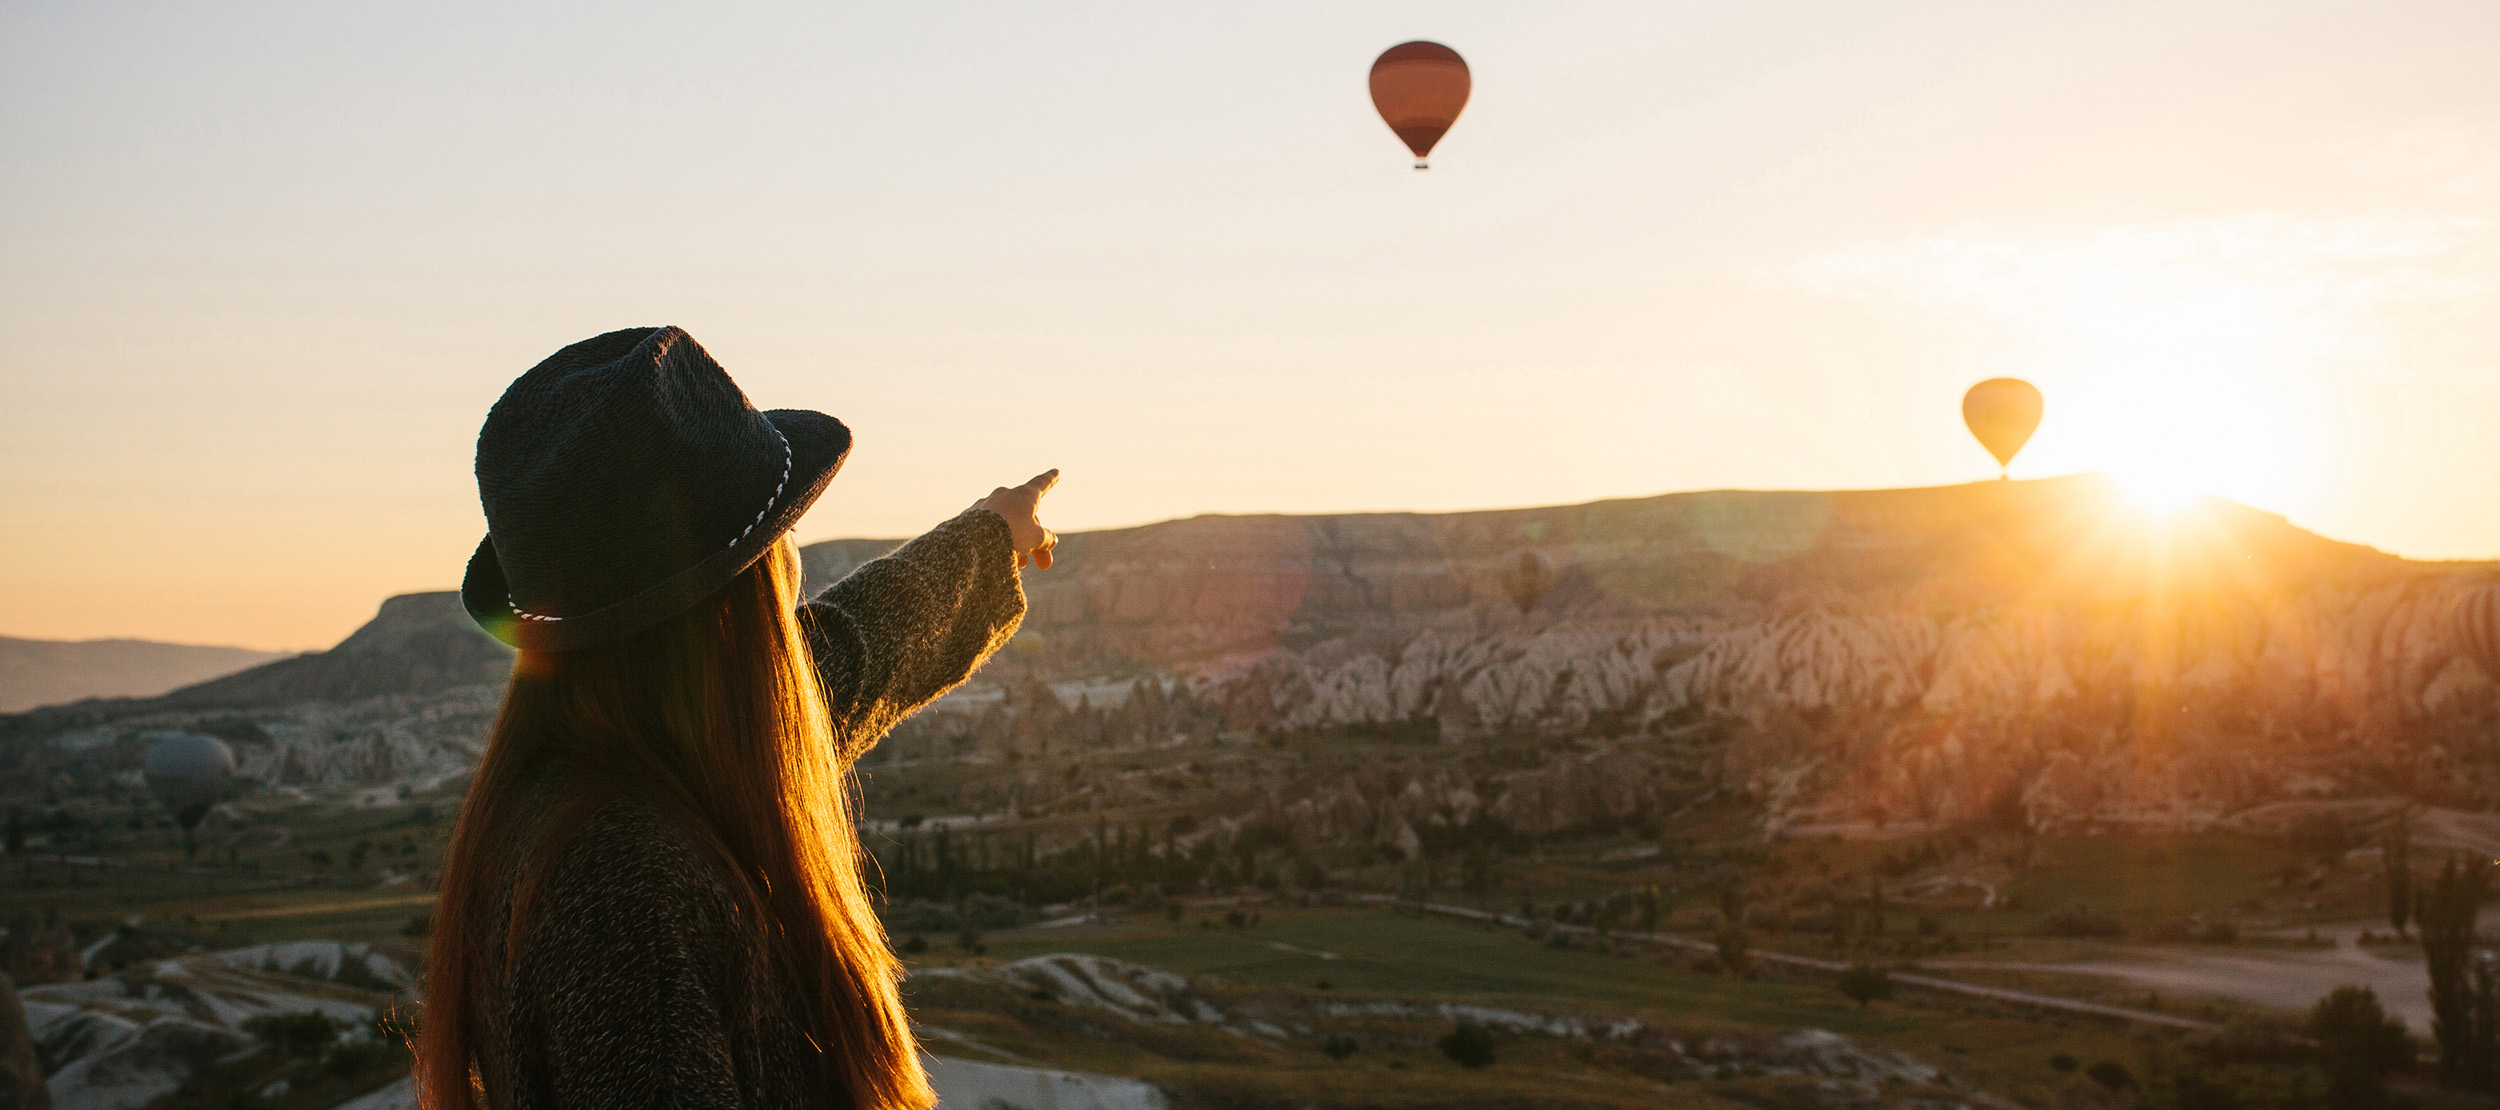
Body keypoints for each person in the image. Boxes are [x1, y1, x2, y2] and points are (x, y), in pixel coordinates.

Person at [415, 327, 1056, 1110]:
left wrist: (992, 536)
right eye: (779, 534)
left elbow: (848, 661)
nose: (795, 563)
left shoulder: (631, 765)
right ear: (731, 594)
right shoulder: (626, 888)